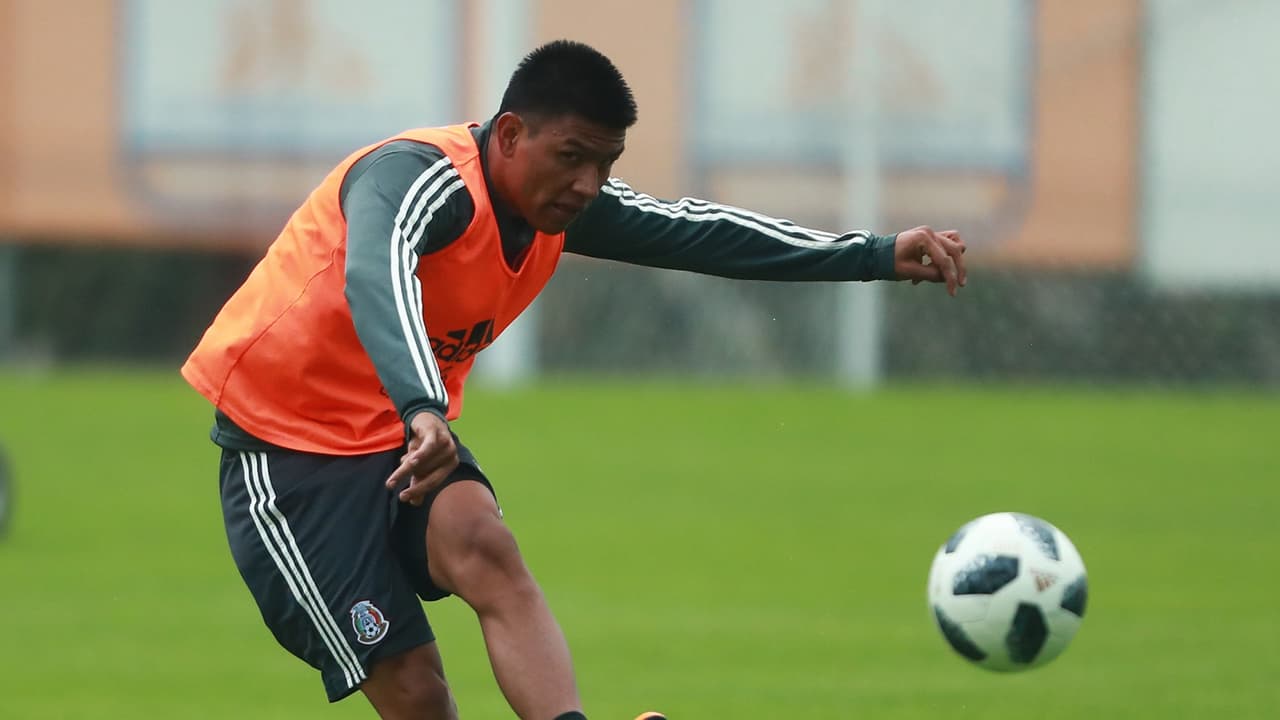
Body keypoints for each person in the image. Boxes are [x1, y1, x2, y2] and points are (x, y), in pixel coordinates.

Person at [181, 39, 966, 720]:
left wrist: (873, 253)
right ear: (510, 134)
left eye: (605, 164)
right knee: (416, 691)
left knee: (487, 547)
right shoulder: (415, 178)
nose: (589, 184)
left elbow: (700, 232)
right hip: (288, 454)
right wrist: (422, 406)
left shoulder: (560, 204)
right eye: (572, 157)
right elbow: (375, 275)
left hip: (401, 435)